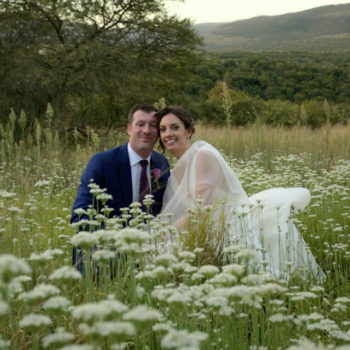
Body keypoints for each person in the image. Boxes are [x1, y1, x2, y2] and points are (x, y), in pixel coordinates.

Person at [156, 106, 325, 280]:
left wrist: (164, 232)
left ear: (188, 131)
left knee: (161, 249)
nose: (168, 133)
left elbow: (202, 209)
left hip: (227, 226)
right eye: (163, 129)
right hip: (208, 224)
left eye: (175, 127)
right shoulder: (177, 168)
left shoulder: (202, 155)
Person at [71, 103, 170, 270]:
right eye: (140, 124)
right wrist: (111, 241)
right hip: (105, 246)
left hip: (148, 246)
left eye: (153, 125)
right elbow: (80, 214)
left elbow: (162, 210)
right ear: (129, 129)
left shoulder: (161, 163)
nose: (146, 130)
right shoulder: (102, 162)